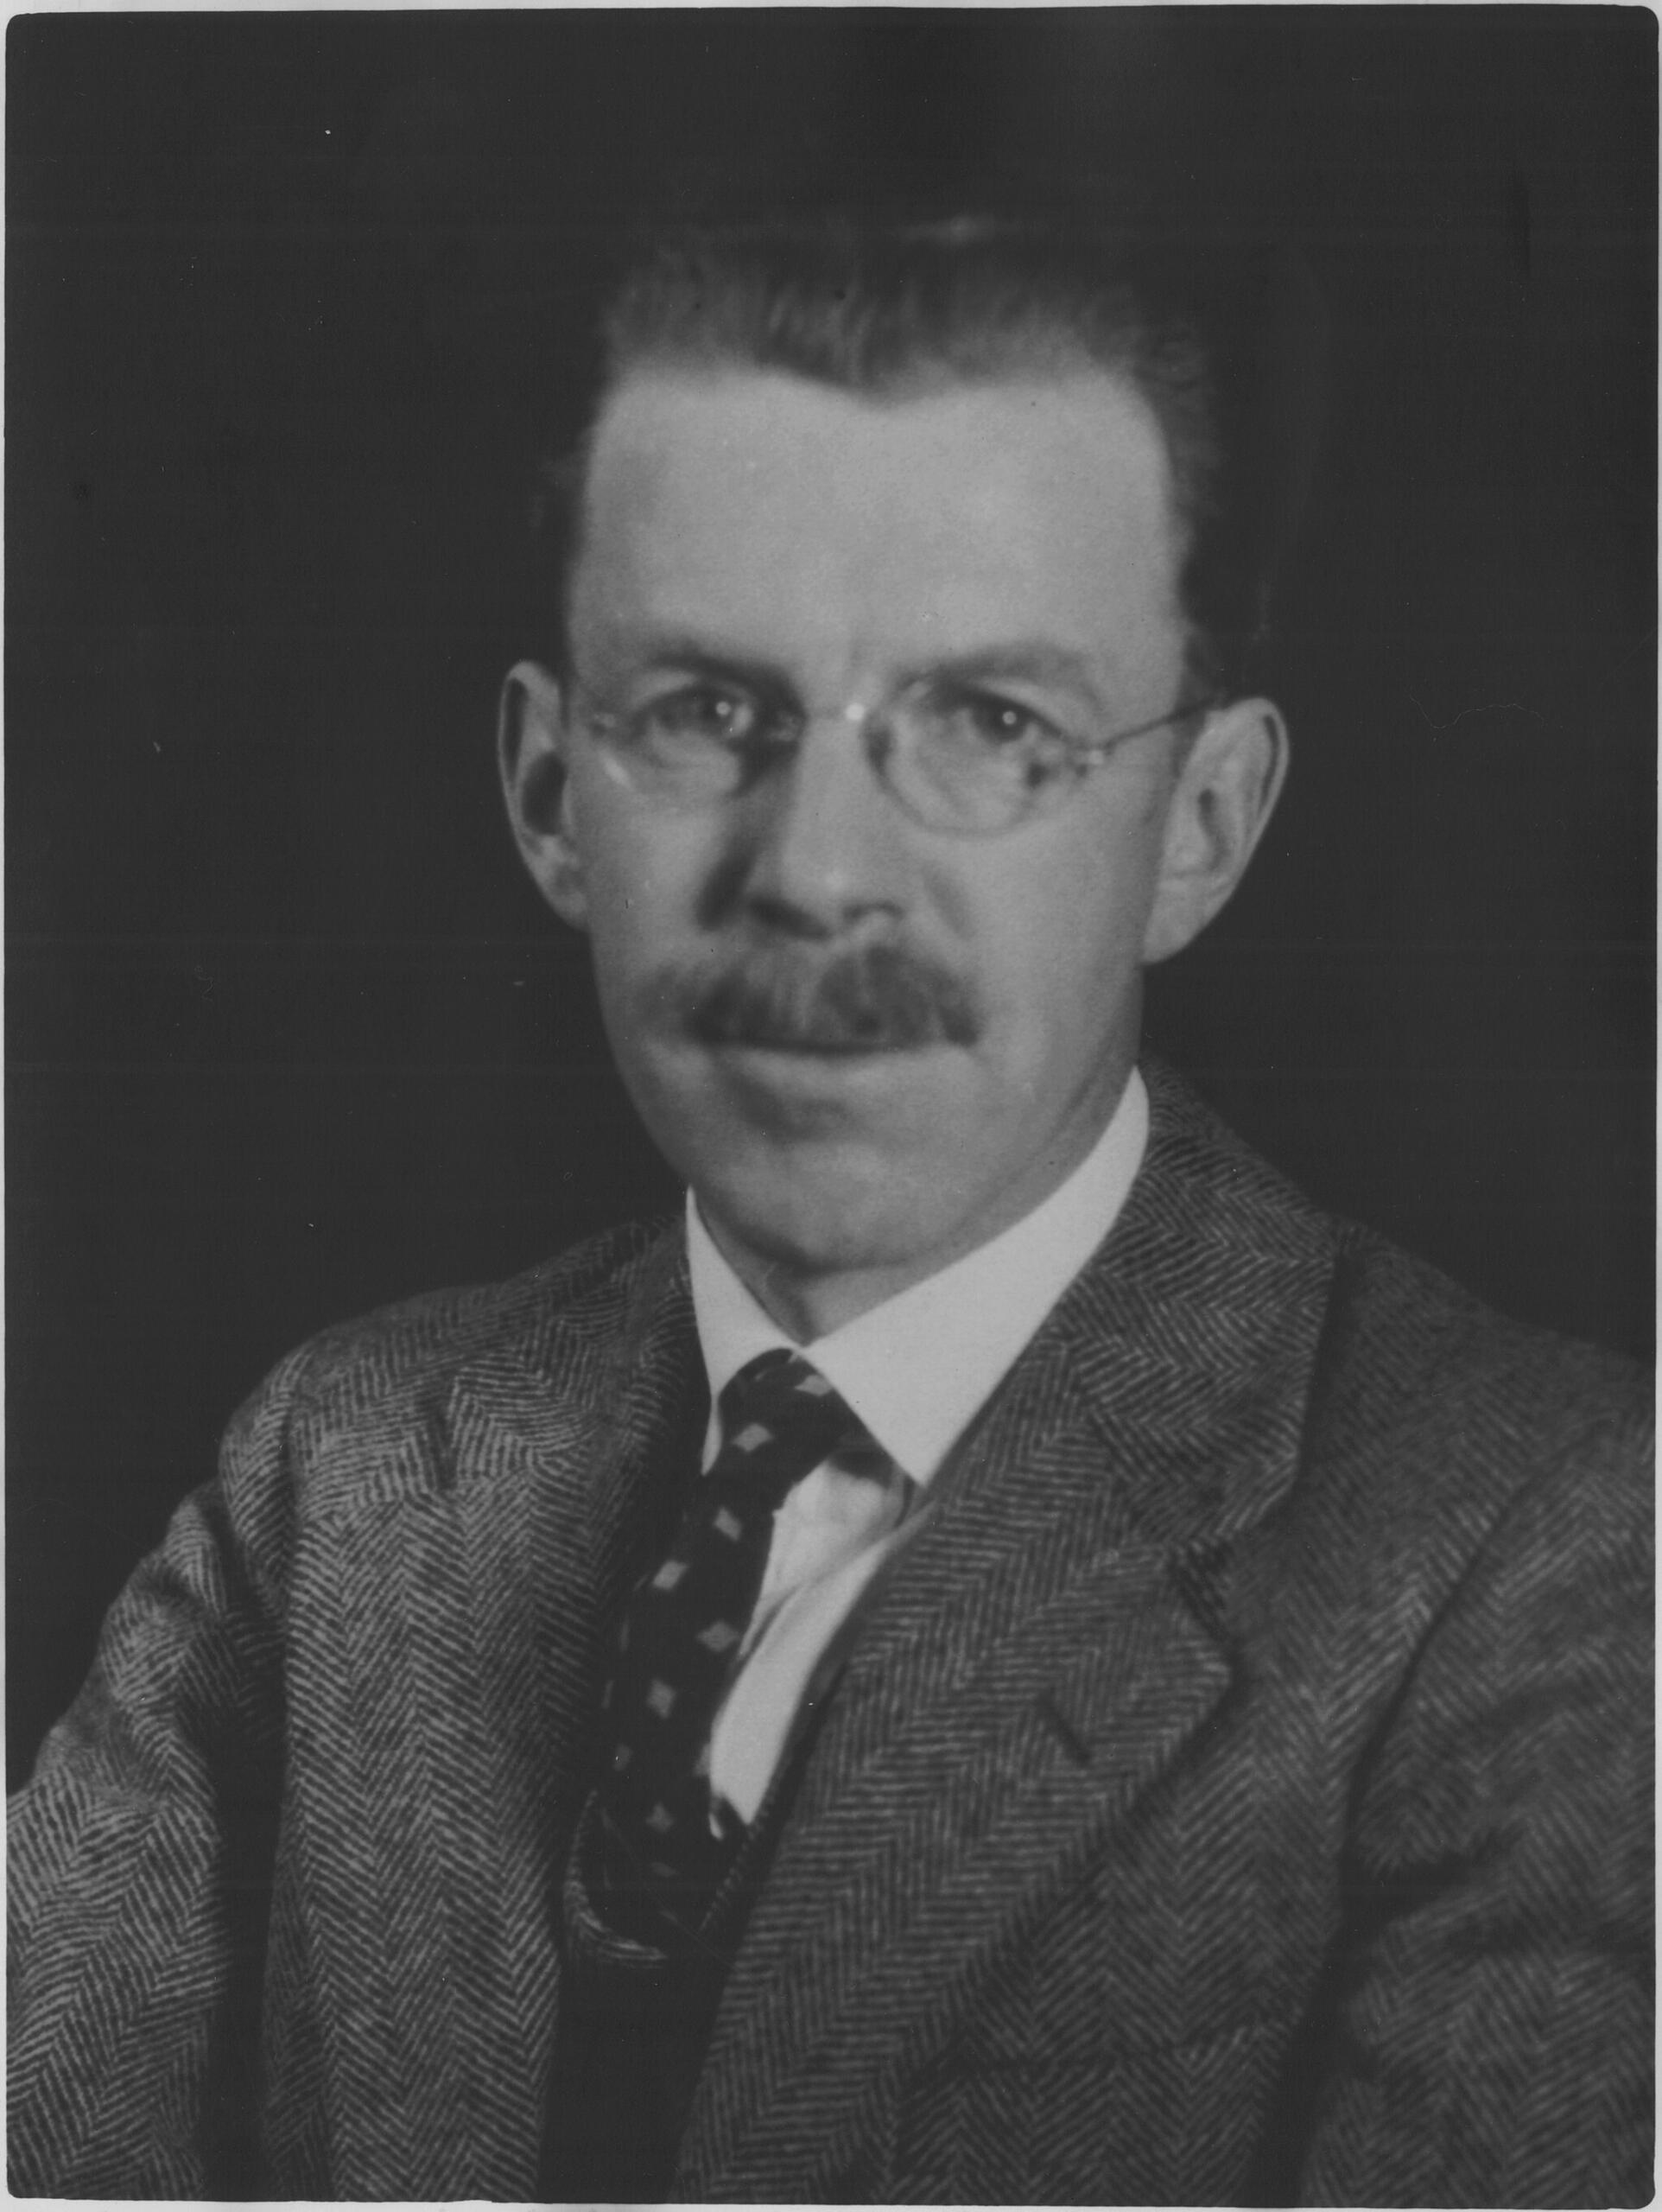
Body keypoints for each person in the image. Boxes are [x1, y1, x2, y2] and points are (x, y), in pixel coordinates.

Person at [10, 210, 1651, 2207]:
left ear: (1197, 829)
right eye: (707, 710)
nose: (812, 872)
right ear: (547, 794)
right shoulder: (335, 1470)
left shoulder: (1543, 1550)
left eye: (991, 724)